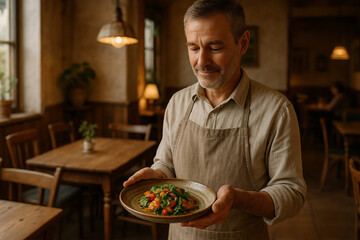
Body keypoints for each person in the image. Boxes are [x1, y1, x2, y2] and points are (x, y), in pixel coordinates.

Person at [124, 0, 307, 239]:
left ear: (242, 43)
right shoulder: (177, 103)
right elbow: (167, 164)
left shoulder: (276, 110)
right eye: (193, 48)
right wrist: (157, 175)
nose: (202, 61)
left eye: (215, 47)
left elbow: (292, 192)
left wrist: (239, 199)